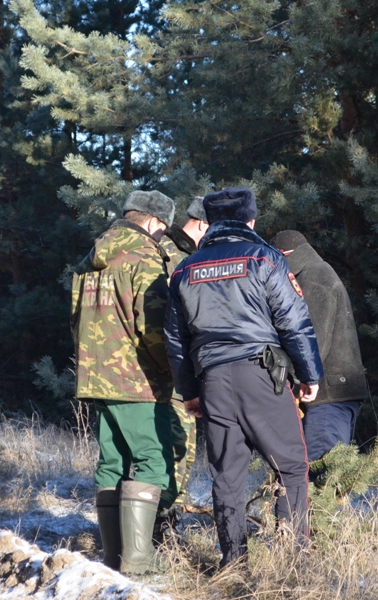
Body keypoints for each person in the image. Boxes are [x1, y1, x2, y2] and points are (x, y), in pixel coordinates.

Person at [164, 187, 324, 568]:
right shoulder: (265, 258)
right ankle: (294, 558)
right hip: (261, 374)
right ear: (250, 220)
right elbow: (294, 322)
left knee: (227, 475)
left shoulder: (185, 269)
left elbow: (176, 338)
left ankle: (233, 563)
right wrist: (309, 374)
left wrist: (188, 391)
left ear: (212, 222)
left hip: (213, 381)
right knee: (291, 465)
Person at [70, 190, 176, 574]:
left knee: (112, 461)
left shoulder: (89, 260)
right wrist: (173, 372)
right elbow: (154, 328)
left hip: (96, 377)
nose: (162, 236)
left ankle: (113, 558)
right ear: (151, 221)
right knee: (153, 461)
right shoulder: (144, 257)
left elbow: (74, 322)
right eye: (162, 229)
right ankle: (138, 562)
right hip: (138, 380)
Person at [272, 230, 370, 463]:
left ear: (282, 255)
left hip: (326, 396)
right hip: (328, 394)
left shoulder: (314, 276)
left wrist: (292, 385)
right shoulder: (313, 272)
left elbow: (312, 342)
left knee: (319, 475)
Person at [157, 196, 209, 510]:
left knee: (182, 453)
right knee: (175, 451)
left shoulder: (183, 253)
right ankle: (160, 527)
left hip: (179, 373)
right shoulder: (169, 253)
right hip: (167, 374)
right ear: (202, 223)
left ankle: (164, 521)